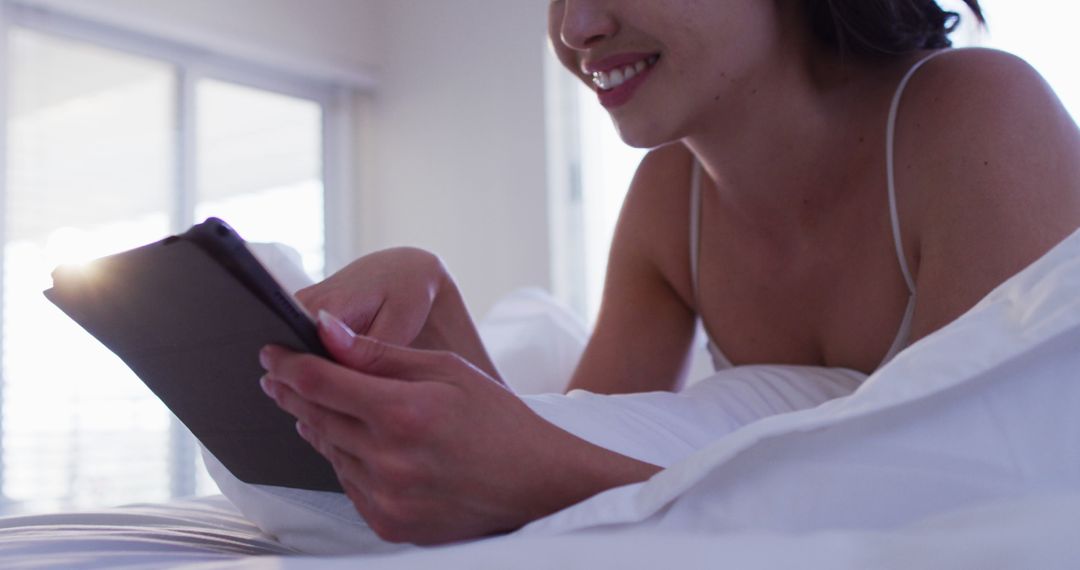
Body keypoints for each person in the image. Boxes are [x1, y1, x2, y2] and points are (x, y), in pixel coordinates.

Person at [256, 0, 1080, 546]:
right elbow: (586, 437)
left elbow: (971, 499)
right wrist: (439, 334)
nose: (576, 25)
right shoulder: (670, 198)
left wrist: (539, 474)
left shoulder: (977, 116)